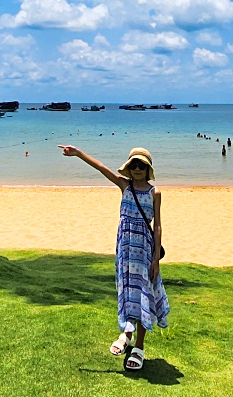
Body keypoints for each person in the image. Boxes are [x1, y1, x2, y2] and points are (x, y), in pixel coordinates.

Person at [59, 145, 169, 371]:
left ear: (148, 168)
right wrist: (79, 153)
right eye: (134, 165)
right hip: (125, 247)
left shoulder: (154, 193)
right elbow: (101, 168)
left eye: (142, 165)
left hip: (144, 250)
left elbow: (157, 225)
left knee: (143, 293)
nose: (137, 169)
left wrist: (156, 259)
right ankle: (127, 334)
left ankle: (139, 345)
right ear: (129, 168)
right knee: (127, 289)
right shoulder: (124, 185)